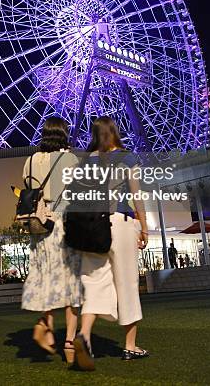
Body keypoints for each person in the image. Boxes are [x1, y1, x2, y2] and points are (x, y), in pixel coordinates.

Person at [74, 116, 149, 371]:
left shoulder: (85, 161)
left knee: (94, 283)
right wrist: (145, 227)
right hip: (120, 222)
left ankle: (84, 335)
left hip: (92, 228)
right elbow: (136, 194)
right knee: (127, 283)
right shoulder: (127, 157)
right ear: (115, 131)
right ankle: (130, 346)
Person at [21, 117, 82, 365]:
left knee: (45, 278)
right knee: (72, 285)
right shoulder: (69, 159)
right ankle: (69, 341)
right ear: (64, 134)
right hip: (63, 225)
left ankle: (45, 326)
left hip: (39, 226)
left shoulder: (31, 160)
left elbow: (28, 189)